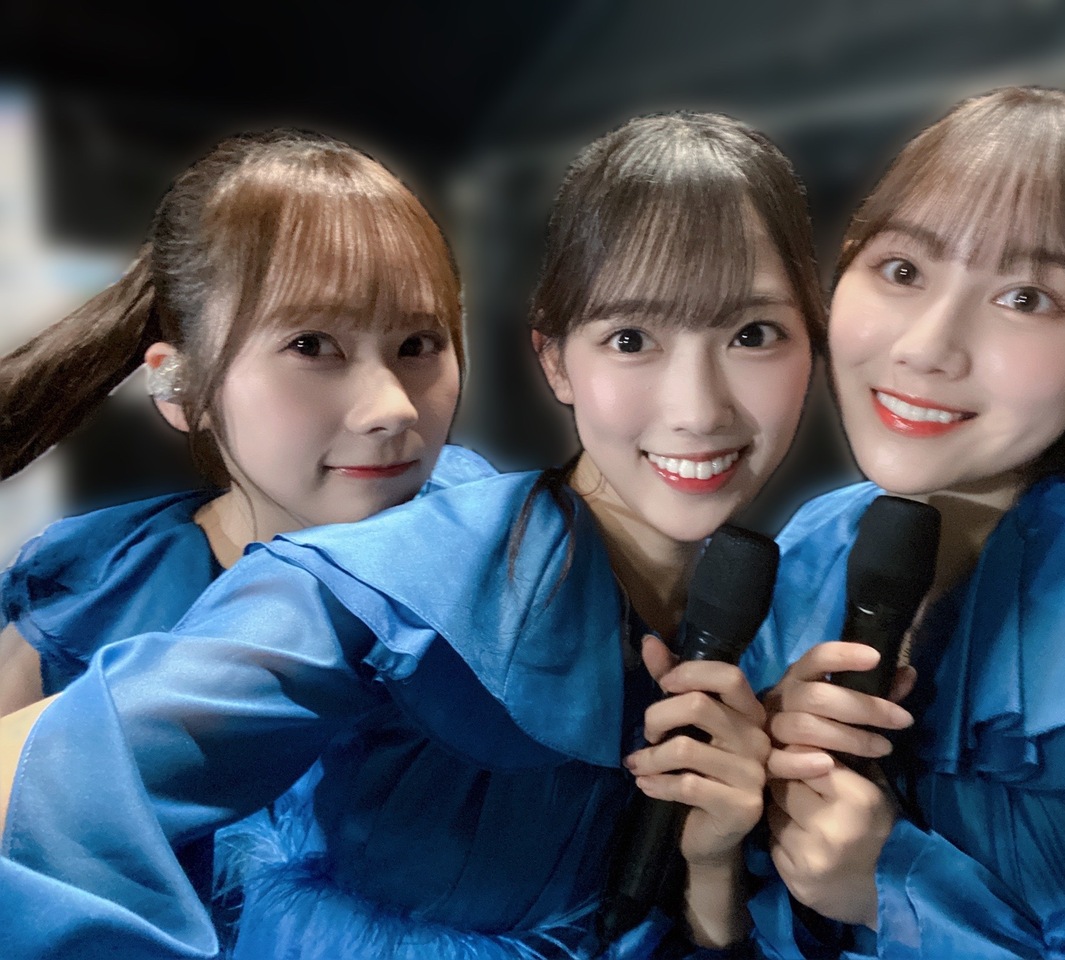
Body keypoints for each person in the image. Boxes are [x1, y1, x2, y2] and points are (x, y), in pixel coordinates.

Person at [0, 111, 827, 959]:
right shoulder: (379, 581)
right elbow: (47, 784)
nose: (697, 409)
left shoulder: (784, 589)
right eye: (631, 339)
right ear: (554, 357)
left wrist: (714, 870)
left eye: (753, 334)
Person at [741, 86, 1065, 959]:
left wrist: (898, 891)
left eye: (1026, 298)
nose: (927, 347)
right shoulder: (811, 547)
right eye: (902, 270)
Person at [0, 128, 490, 719]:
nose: (394, 408)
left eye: (418, 344)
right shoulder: (91, 603)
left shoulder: (515, 545)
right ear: (182, 387)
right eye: (311, 345)